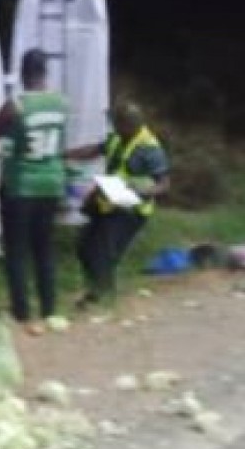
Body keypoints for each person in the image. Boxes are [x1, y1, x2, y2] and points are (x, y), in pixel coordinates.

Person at [0, 49, 68, 335]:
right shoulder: (61, 103)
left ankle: (22, 313)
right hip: (52, 182)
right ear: (45, 72)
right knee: (44, 248)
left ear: (22, 73)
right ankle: (50, 308)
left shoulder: (15, 105)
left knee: (17, 251)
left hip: (21, 185)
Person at [65, 100, 170, 308]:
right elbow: (95, 150)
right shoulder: (118, 138)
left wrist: (142, 190)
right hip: (110, 202)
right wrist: (65, 155)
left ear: (129, 125)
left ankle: (100, 297)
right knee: (84, 246)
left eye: (117, 123)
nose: (113, 127)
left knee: (103, 251)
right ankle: (99, 291)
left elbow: (164, 184)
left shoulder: (149, 148)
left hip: (132, 209)